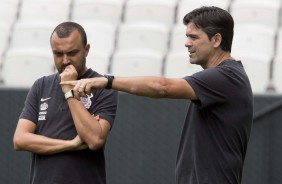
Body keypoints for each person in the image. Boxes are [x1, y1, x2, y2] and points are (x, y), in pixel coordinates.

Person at [61, 6, 254, 184]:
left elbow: (163, 87)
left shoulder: (226, 76)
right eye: (187, 36)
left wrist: (107, 81)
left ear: (216, 40)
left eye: (194, 37)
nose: (187, 43)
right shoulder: (225, 77)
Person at [13, 22, 118, 184]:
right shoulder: (41, 85)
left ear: (86, 50)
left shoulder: (103, 86)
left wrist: (69, 91)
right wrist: (71, 144)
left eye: (72, 53)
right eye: (58, 54)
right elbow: (20, 139)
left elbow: (94, 139)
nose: (65, 61)